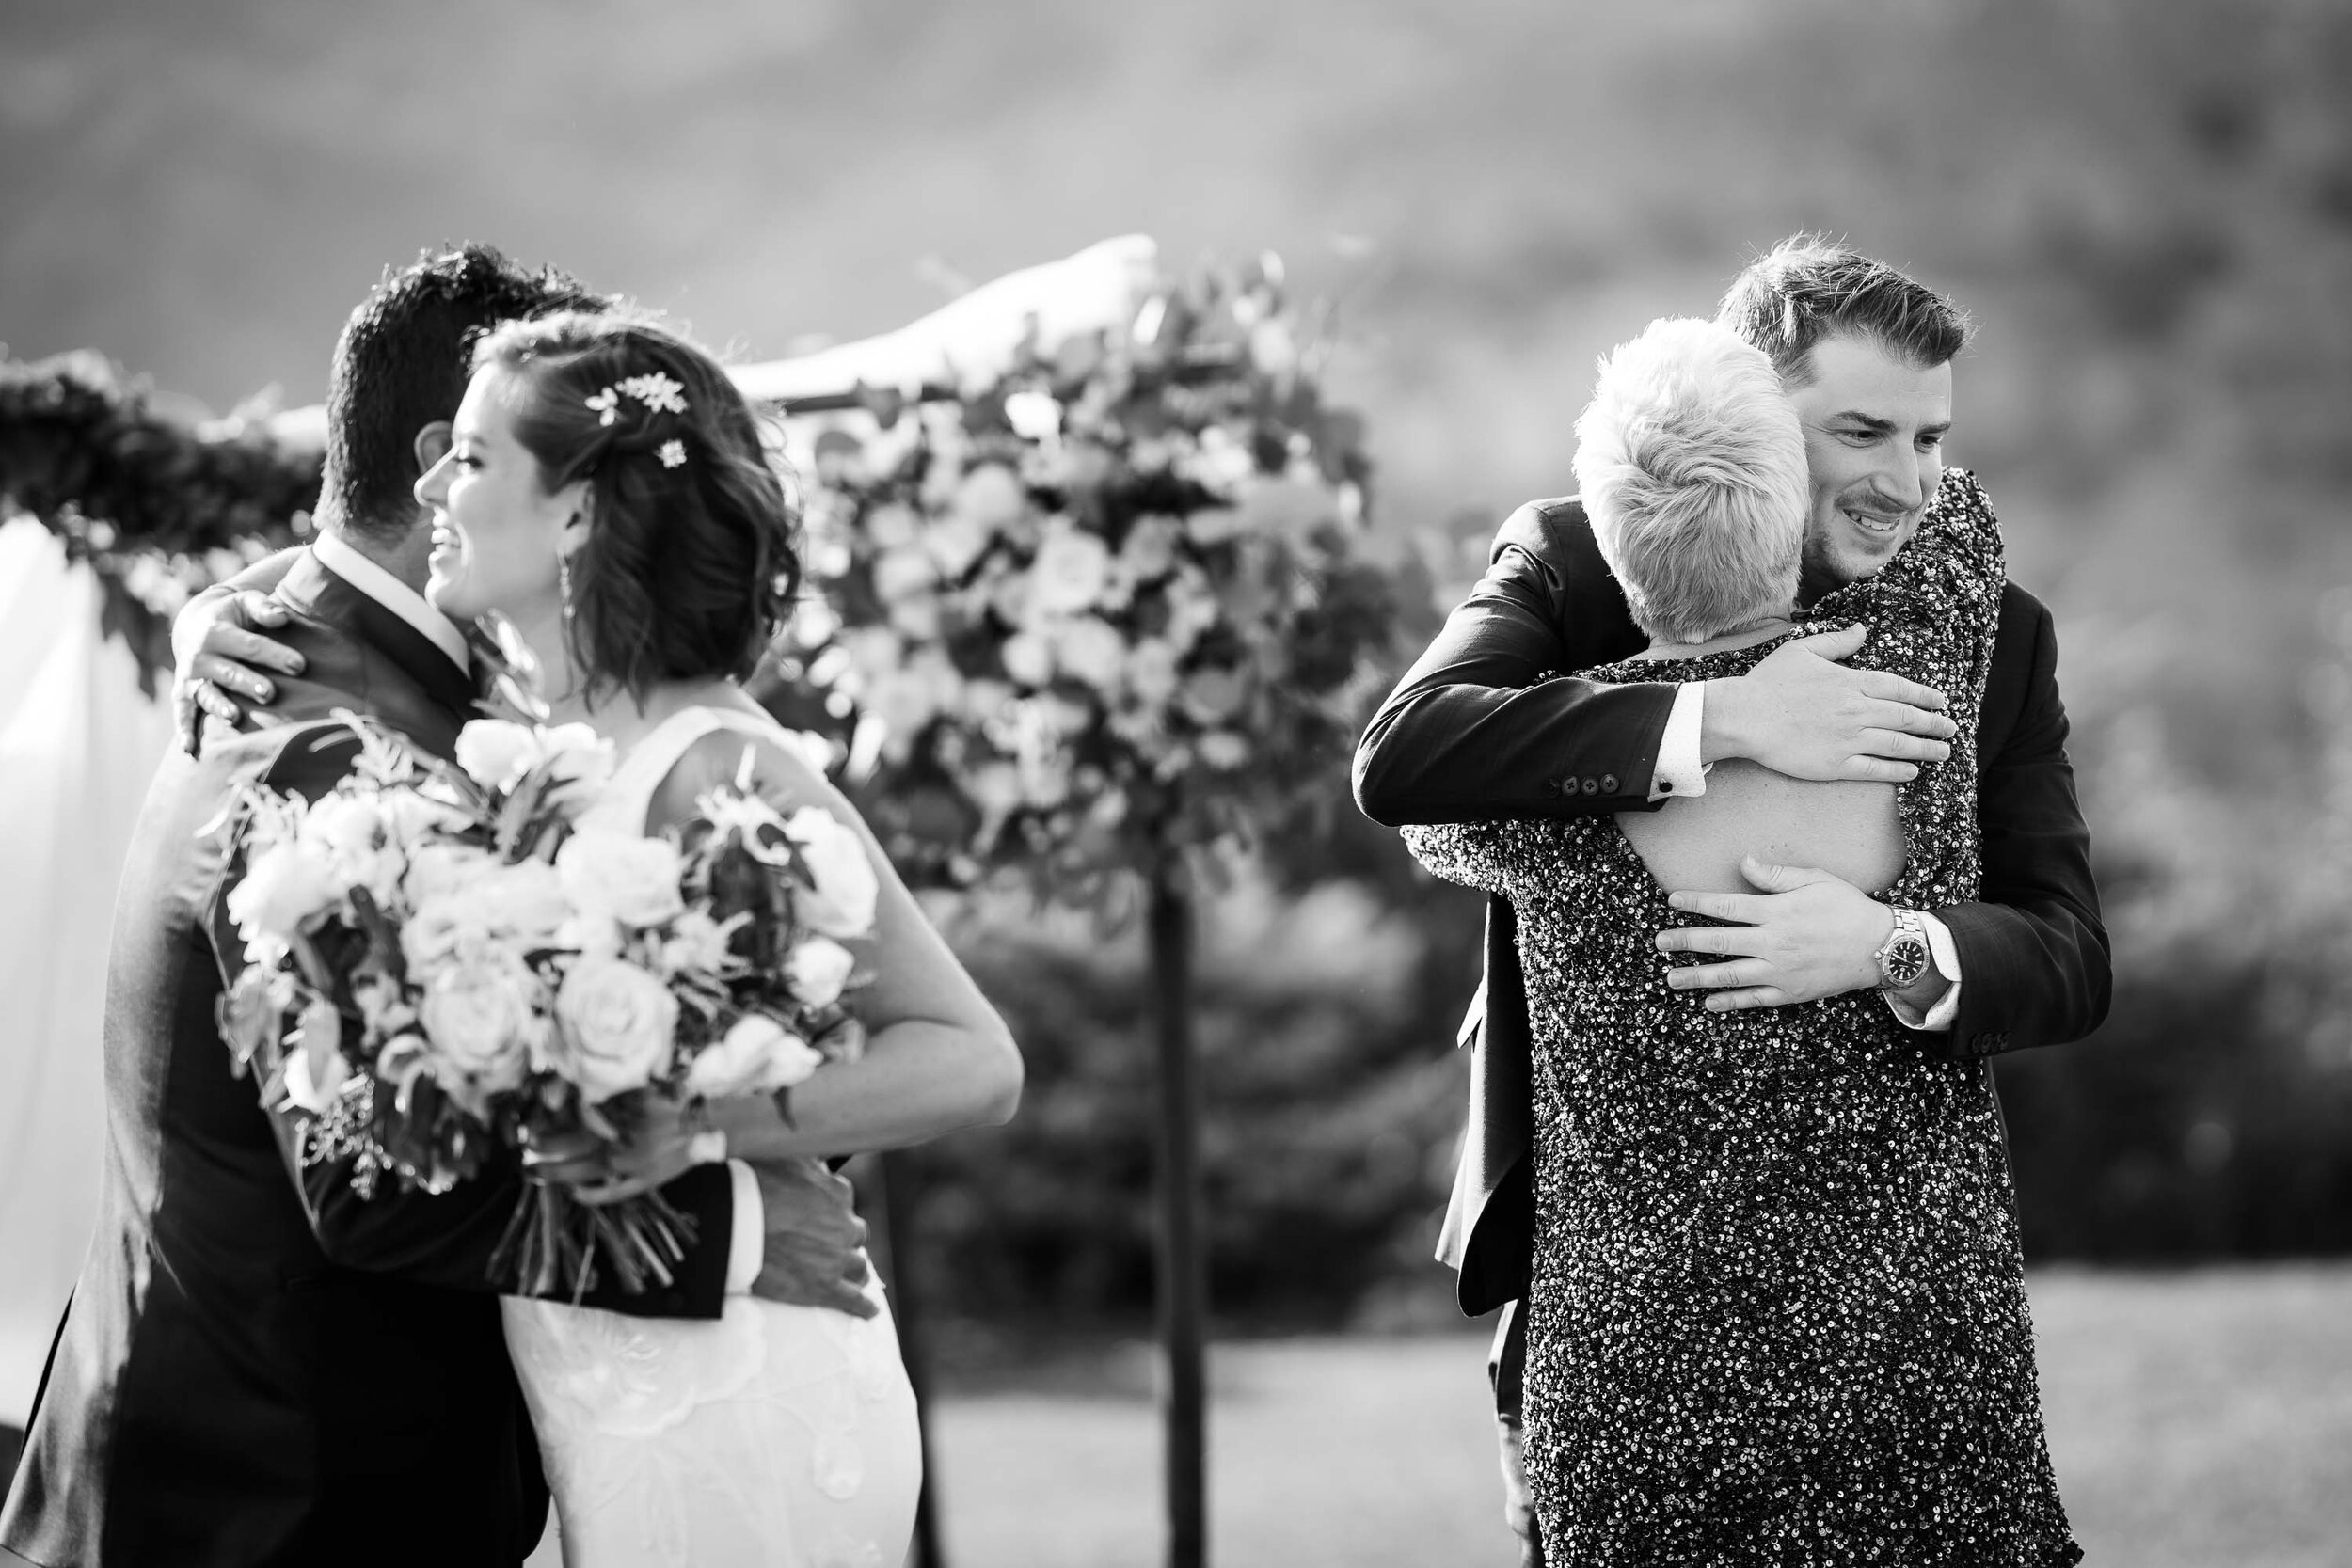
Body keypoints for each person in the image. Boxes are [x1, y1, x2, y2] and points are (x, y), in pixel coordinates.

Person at [0, 246, 997, 1568]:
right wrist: (744, 1233)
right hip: (267, 1499)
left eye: (477, 460)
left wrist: (734, 1135)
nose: (440, 487)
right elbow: (373, 1190)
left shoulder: (448, 701)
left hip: (400, 1461)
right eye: (452, 456)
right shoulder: (325, 732)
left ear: (577, 509)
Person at [1354, 239, 2108, 1563]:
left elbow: (2067, 950)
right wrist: (1721, 717)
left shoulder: (1998, 631)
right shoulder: (1578, 559)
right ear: (1749, 408)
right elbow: (1404, 756)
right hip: (1607, 1287)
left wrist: (1895, 944)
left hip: (1914, 1302)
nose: (1907, 483)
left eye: (1932, 439)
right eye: (1862, 431)